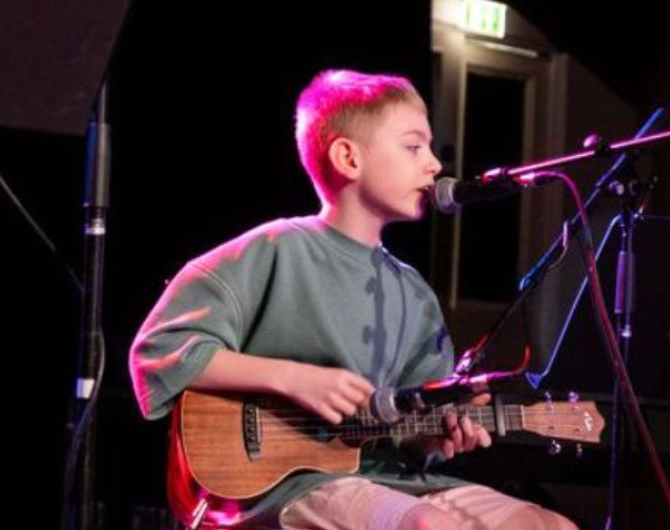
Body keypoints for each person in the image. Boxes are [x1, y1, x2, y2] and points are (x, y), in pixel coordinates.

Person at [129, 69, 577, 529]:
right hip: (287, 486)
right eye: (413, 147)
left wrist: (440, 437)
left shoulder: (414, 294)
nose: (434, 165)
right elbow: (159, 352)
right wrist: (294, 379)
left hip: (390, 479)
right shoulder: (275, 249)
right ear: (348, 157)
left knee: (550, 526)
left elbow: (412, 432)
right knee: (426, 525)